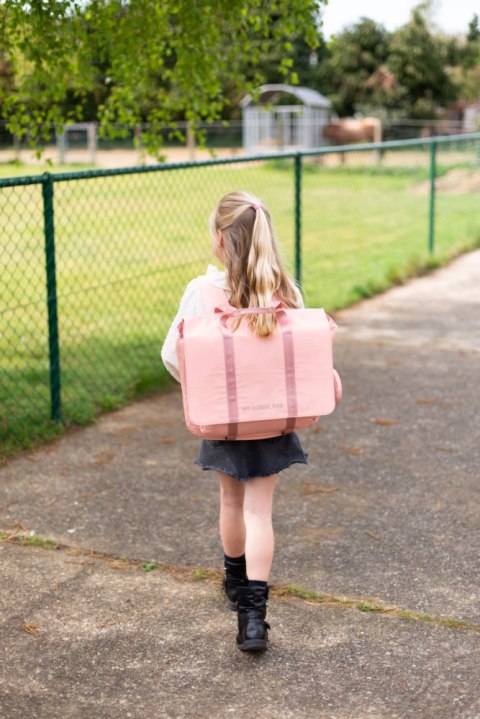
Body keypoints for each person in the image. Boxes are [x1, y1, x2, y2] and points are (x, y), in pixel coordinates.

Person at [161, 190, 308, 652]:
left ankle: (232, 580)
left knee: (230, 501)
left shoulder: (201, 292)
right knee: (259, 512)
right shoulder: (286, 291)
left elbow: (172, 355)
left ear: (222, 239)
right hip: (272, 422)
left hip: (223, 420)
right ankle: (253, 620)